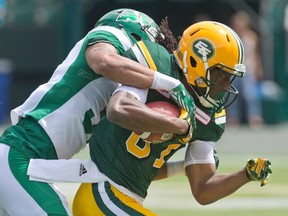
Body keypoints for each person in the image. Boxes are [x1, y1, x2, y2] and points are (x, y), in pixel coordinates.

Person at [27, 20, 271, 215]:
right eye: (221, 75)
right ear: (198, 61)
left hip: (123, 200)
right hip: (103, 191)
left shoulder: (211, 116)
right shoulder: (157, 68)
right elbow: (119, 109)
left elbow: (202, 190)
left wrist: (245, 175)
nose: (226, 85)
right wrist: (178, 125)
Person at [0, 9, 194, 216]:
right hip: (22, 154)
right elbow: (103, 61)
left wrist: (181, 167)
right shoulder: (110, 36)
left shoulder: (123, 86)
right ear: (137, 34)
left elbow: (121, 168)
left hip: (31, 162)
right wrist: (169, 84)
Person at [227, 11, 264, 128]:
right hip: (233, 70)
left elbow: (256, 54)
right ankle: (233, 118)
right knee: (232, 94)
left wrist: (258, 68)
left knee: (250, 94)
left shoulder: (252, 37)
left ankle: (254, 117)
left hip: (248, 69)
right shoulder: (231, 36)